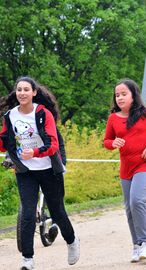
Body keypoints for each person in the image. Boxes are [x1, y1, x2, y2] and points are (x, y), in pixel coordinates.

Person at [0, 76, 80, 269]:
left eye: (26, 89)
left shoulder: (43, 114)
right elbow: (4, 145)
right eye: (19, 89)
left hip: (48, 169)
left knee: (57, 212)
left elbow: (53, 145)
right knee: (27, 214)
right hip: (25, 171)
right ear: (16, 93)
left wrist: (34, 152)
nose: (22, 93)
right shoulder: (10, 116)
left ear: (34, 93)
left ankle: (71, 241)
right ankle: (28, 260)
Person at [103, 79, 146, 263]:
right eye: (117, 95)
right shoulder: (113, 118)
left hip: (145, 164)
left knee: (137, 200)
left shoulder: (145, 114)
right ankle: (136, 246)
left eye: (124, 94)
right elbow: (107, 141)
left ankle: (145, 243)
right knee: (129, 207)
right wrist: (112, 143)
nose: (120, 98)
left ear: (133, 95)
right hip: (126, 167)